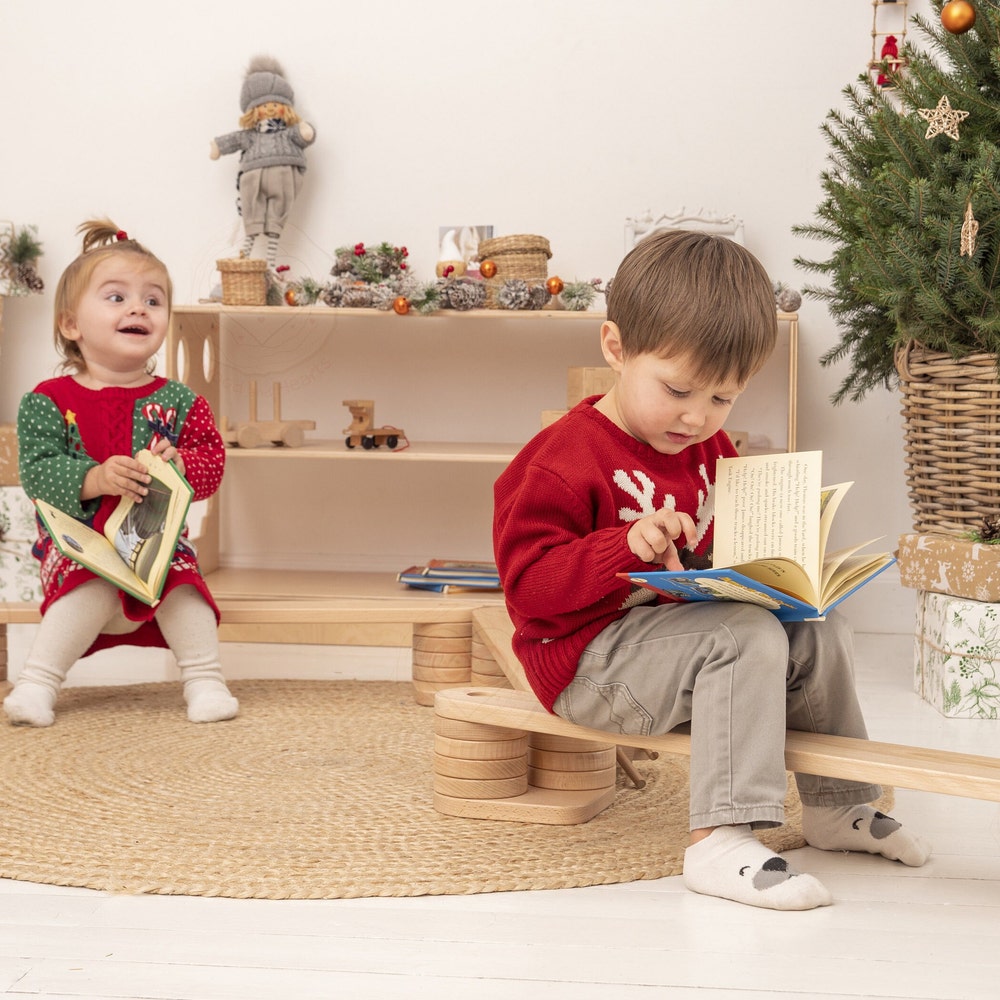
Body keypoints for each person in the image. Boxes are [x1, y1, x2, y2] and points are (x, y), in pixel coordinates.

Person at [493, 229, 930, 910]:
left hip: (672, 641)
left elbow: (712, 552)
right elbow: (527, 591)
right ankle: (719, 838)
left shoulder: (707, 447)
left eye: (723, 399)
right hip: (584, 662)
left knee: (818, 627)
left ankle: (837, 809)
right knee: (743, 638)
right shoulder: (560, 459)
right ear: (615, 348)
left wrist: (769, 561)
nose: (698, 417)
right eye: (678, 390)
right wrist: (623, 546)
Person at [3, 220, 238, 728]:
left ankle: (205, 679)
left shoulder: (180, 401)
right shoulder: (47, 401)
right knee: (89, 584)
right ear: (71, 325)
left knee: (184, 587)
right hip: (79, 544)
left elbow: (213, 461)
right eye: (116, 298)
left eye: (153, 301)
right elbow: (38, 473)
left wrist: (182, 467)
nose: (139, 309)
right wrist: (97, 478)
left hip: (155, 540)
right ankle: (38, 682)